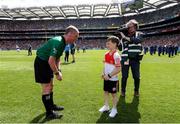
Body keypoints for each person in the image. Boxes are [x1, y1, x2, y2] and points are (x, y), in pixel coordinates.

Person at [34, 25, 79, 119]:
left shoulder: (63, 43)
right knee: (46, 87)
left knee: (51, 85)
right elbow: (51, 60)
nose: (76, 39)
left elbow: (57, 58)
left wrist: (59, 70)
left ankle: (51, 105)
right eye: (76, 36)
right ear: (70, 34)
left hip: (48, 63)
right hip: (42, 62)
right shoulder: (58, 42)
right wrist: (57, 73)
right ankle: (49, 113)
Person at [119, 19, 144, 97]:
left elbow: (137, 41)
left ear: (135, 26)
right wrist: (120, 39)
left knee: (136, 76)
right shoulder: (124, 36)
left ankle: (136, 91)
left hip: (135, 59)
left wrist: (125, 37)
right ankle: (123, 91)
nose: (129, 28)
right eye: (128, 27)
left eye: (130, 26)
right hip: (125, 59)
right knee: (124, 76)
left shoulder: (139, 34)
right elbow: (120, 48)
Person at [99, 36, 121, 118]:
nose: (107, 45)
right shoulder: (106, 54)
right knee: (105, 92)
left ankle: (114, 109)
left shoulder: (116, 55)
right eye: (107, 43)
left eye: (109, 43)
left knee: (114, 94)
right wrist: (103, 73)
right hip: (106, 78)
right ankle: (106, 106)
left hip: (113, 79)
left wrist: (109, 75)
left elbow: (118, 68)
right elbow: (105, 65)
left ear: (115, 44)